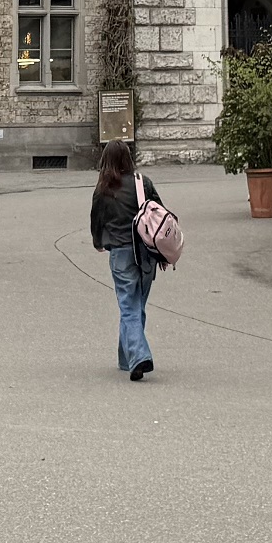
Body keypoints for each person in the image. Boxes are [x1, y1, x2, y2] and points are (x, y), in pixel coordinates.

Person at [89, 139, 162, 381]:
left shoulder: (104, 188)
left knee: (128, 306)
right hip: (146, 252)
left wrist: (98, 242)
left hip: (120, 253)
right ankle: (126, 358)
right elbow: (159, 212)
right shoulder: (143, 183)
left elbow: (96, 220)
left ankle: (139, 356)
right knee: (136, 305)